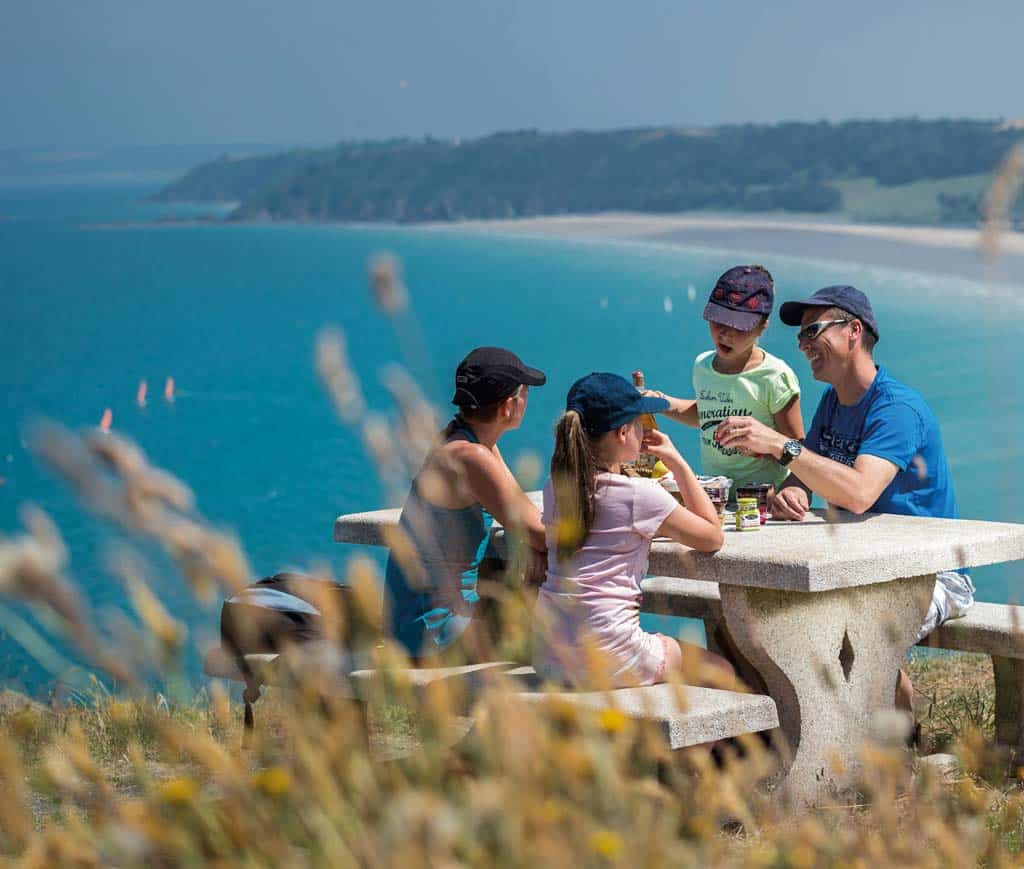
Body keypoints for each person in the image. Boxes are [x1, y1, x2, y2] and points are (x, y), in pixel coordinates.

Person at [714, 285, 974, 714]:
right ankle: (791, 742)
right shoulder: (834, 402)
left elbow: (857, 492)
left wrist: (781, 445)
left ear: (854, 331)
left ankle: (894, 748)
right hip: (866, 568)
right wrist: (792, 495)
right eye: (800, 337)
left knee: (849, 636)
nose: (803, 345)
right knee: (761, 620)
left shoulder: (896, 408)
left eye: (812, 332)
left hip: (931, 575)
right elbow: (806, 477)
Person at [532, 372, 731, 688]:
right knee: (723, 672)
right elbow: (712, 536)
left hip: (548, 652)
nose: (644, 430)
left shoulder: (555, 488)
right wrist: (678, 462)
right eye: (640, 423)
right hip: (608, 653)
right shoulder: (640, 496)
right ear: (623, 432)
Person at [384, 346, 548, 660]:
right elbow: (541, 532)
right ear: (508, 406)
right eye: (525, 392)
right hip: (435, 632)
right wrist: (535, 541)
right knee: (558, 641)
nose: (528, 399)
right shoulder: (470, 457)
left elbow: (524, 516)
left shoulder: (466, 441)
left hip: (423, 621)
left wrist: (533, 540)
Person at [647, 265, 803, 494]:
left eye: (739, 326)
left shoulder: (775, 376)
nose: (726, 333)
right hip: (717, 494)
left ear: (762, 327)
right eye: (718, 320)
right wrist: (658, 401)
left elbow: (797, 447)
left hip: (765, 500)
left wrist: (761, 449)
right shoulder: (702, 366)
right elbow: (705, 413)